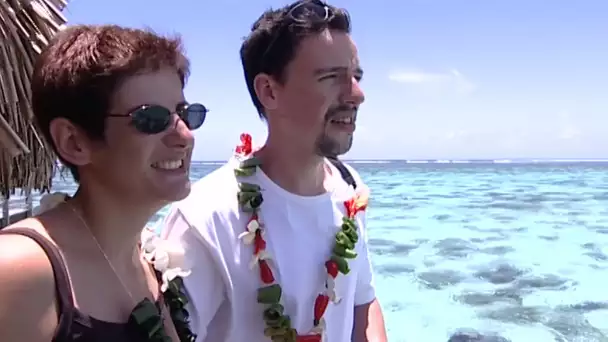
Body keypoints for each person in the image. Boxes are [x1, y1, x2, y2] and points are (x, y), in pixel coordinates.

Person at [160, 0, 388, 341]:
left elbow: (362, 303)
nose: (357, 94)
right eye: (331, 77)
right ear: (269, 91)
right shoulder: (205, 217)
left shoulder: (349, 188)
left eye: (355, 76)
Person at [0, 25, 208, 342]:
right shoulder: (19, 270)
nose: (184, 136)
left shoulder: (146, 260)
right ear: (74, 142)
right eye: (152, 118)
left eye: (184, 113)